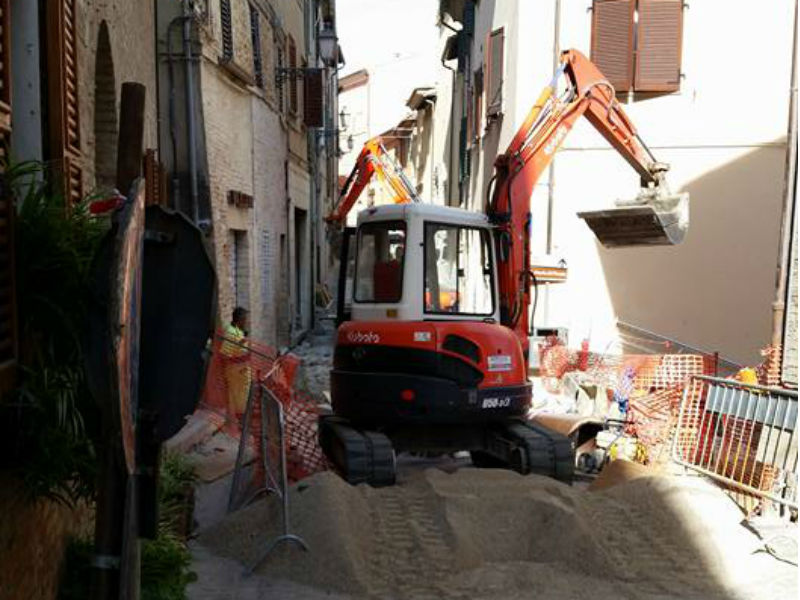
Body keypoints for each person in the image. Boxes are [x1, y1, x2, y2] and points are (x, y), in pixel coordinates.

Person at [221, 307, 251, 425]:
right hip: (236, 375)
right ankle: (238, 424)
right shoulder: (231, 334)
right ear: (239, 320)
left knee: (243, 399)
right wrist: (240, 347)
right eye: (245, 320)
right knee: (238, 400)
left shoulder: (238, 332)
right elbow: (225, 355)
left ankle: (241, 423)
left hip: (242, 374)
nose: (247, 322)